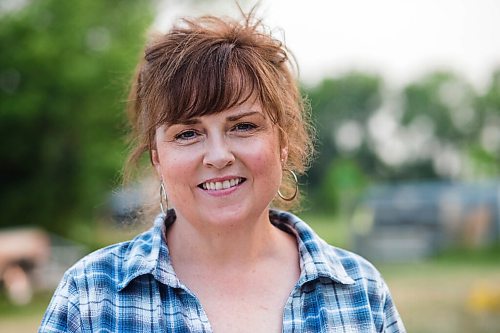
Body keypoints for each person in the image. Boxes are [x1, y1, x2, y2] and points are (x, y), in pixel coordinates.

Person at [39, 11, 406, 333]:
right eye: (187, 133)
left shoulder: (361, 291)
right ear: (157, 158)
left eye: (243, 126)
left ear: (283, 141)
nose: (218, 156)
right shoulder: (89, 298)